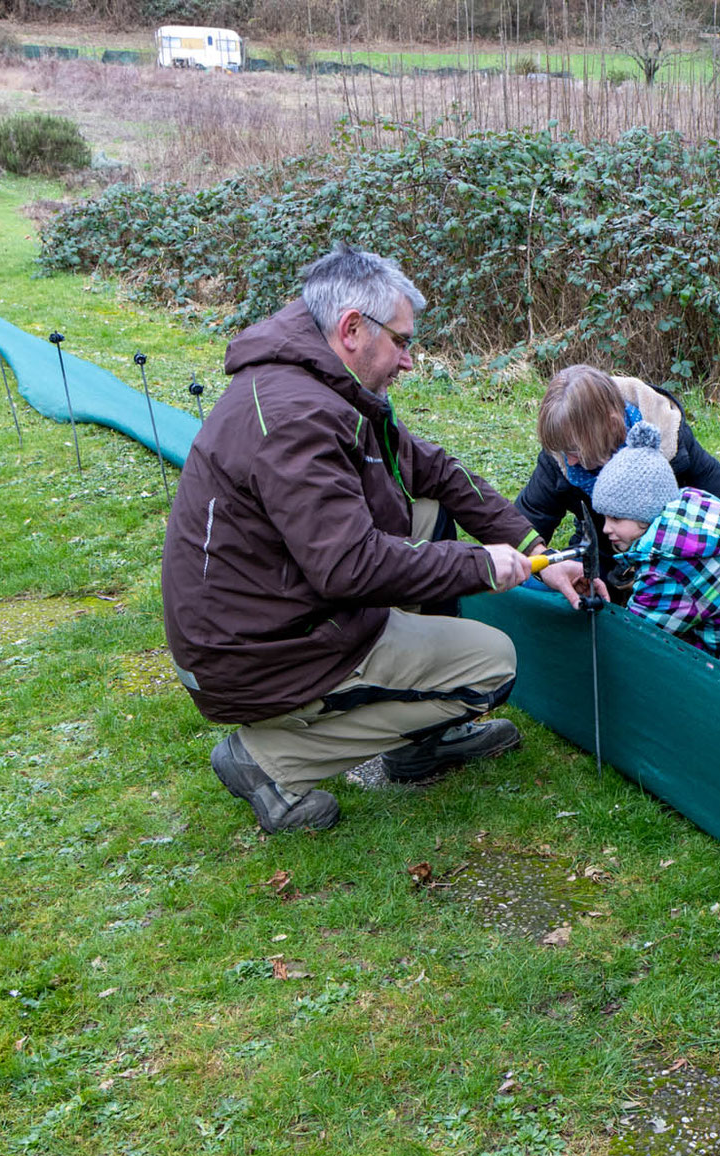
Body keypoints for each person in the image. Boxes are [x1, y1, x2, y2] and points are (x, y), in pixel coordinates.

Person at [160, 245, 590, 834]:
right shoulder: (297, 418)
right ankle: (267, 760)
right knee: (491, 666)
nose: (409, 361)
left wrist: (537, 553)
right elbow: (350, 568)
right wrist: (483, 566)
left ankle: (421, 744)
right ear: (353, 329)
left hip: (280, 600)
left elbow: (432, 470)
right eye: (402, 341)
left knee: (429, 509)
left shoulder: (324, 380)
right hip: (260, 651)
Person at [592, 420, 720, 683]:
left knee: (676, 680)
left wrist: (602, 648)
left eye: (616, 518)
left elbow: (639, 634)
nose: (606, 529)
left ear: (644, 516)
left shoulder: (667, 565)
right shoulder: (687, 517)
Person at [515, 364, 720, 554]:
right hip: (599, 567)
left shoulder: (669, 439)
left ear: (612, 425)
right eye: (561, 450)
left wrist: (676, 556)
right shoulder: (562, 457)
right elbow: (524, 526)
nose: (571, 461)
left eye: (576, 450)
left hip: (673, 572)